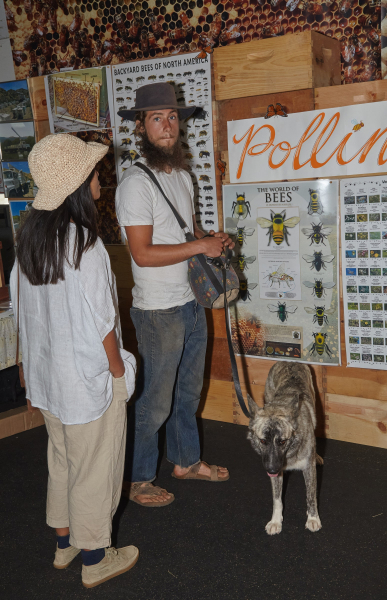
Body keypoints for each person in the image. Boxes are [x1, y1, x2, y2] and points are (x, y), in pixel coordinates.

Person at [10, 134, 138, 588]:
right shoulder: (84, 244)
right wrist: (119, 372)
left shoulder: (28, 240)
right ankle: (94, 559)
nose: (100, 174)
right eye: (93, 170)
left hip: (48, 380)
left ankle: (64, 545)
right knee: (95, 467)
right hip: (86, 379)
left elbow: (23, 314)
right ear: (79, 183)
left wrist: (26, 370)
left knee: (62, 459)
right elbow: (104, 321)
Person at [115, 83, 234, 507]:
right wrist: (199, 247)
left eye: (171, 117)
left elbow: (187, 232)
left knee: (188, 391)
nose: (167, 126)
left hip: (190, 301)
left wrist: (210, 239)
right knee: (155, 400)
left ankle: (185, 460)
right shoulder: (134, 185)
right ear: (142, 128)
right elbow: (143, 254)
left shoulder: (183, 176)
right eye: (156, 119)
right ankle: (138, 477)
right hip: (156, 310)